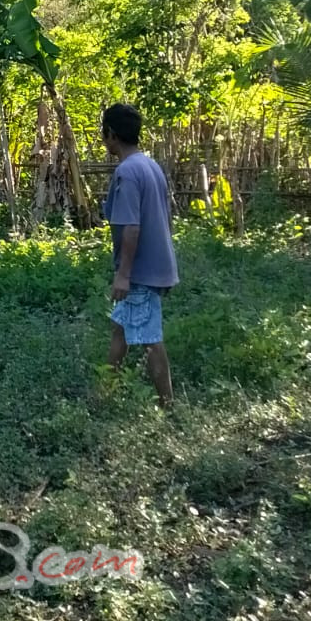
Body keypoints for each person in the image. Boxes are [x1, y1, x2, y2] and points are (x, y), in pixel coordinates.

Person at [101, 103, 178, 408]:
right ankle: (105, 392)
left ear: (112, 134)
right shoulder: (151, 166)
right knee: (121, 329)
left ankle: (169, 405)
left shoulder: (128, 172)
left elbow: (131, 227)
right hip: (153, 266)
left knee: (149, 338)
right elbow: (165, 218)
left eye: (103, 132)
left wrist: (124, 274)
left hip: (139, 272)